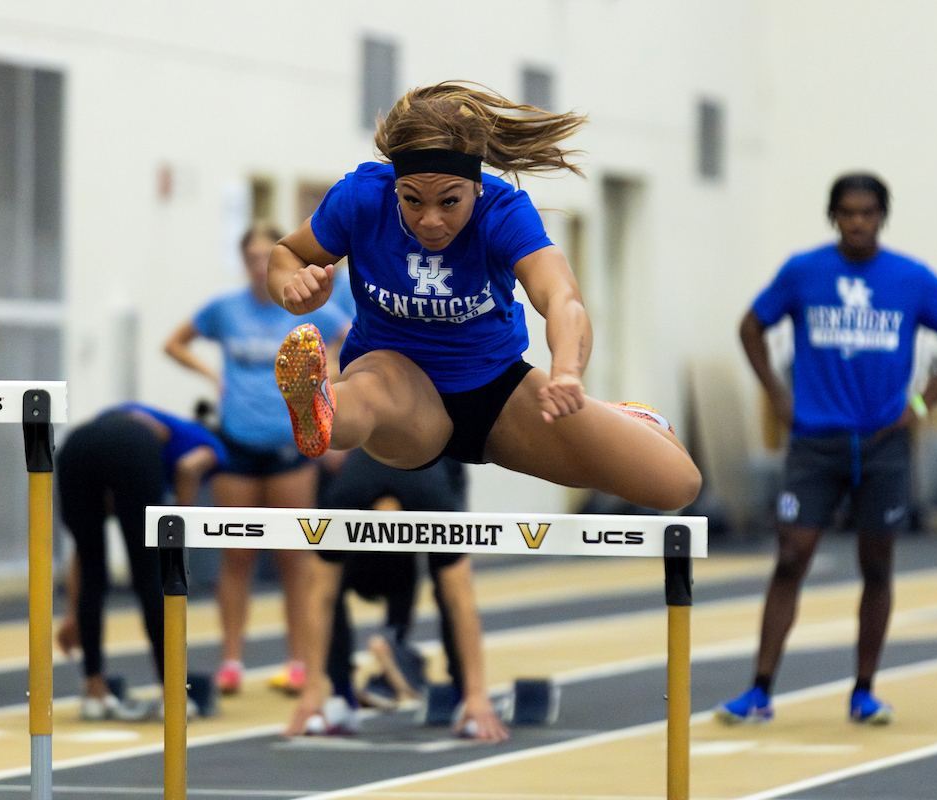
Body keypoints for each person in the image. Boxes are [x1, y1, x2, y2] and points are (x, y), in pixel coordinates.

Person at [267, 82, 701, 737]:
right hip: (399, 386)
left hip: (496, 392)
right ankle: (319, 405)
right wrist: (293, 288)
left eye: (449, 201)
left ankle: (629, 417)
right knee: (370, 393)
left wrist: (567, 371)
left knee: (676, 485)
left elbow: (562, 298)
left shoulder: (505, 211)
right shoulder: (360, 198)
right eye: (412, 200)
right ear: (394, 186)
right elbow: (289, 254)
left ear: (475, 185)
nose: (429, 221)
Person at [716, 173, 937, 726]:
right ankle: (760, 689)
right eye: (847, 212)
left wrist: (921, 403)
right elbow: (750, 327)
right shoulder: (803, 271)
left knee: (877, 564)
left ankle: (864, 691)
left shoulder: (910, 279)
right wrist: (777, 395)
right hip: (816, 441)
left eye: (867, 213)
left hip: (884, 443)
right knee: (791, 556)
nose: (857, 222)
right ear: (833, 216)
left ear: (882, 217)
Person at [164, 222, 351, 696]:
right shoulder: (225, 310)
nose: (257, 266)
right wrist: (212, 375)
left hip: (291, 446)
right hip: (238, 441)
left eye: (266, 257)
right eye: (250, 258)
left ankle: (298, 661)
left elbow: (351, 336)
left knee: (294, 557)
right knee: (237, 555)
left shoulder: (306, 306)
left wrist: (329, 377)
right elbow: (174, 342)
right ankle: (231, 659)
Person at [54, 402, 230, 720]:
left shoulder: (129, 419)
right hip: (132, 450)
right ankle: (172, 694)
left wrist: (73, 613)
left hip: (75, 446)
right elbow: (188, 468)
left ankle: (94, 691)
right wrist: (180, 531)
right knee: (149, 574)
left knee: (92, 564)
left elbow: (83, 553)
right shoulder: (211, 444)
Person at [318, 452, 480, 727]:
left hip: (427, 471)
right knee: (331, 583)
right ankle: (345, 687)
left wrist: (476, 695)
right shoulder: (346, 494)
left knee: (444, 583)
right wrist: (312, 692)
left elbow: (459, 598)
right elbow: (321, 596)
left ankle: (346, 691)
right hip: (390, 479)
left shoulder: (433, 498)